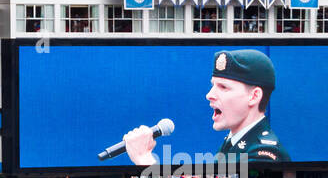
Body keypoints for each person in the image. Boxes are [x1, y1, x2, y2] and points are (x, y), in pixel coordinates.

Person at [123, 48, 291, 166]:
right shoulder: (234, 142)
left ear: (254, 96)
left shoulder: (263, 154)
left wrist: (143, 159)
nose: (209, 94)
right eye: (213, 85)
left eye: (223, 87)